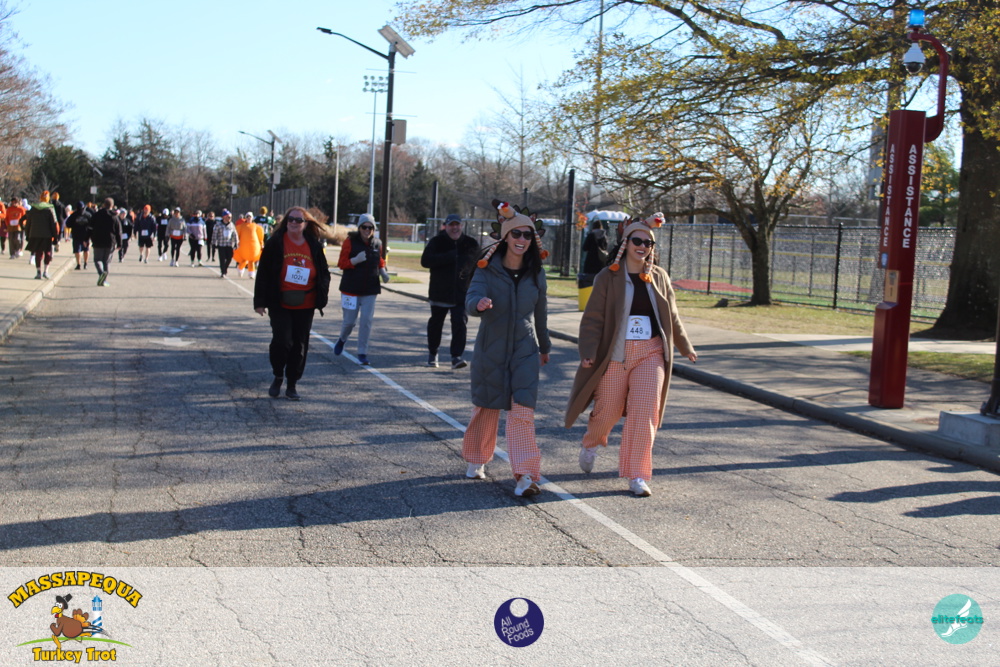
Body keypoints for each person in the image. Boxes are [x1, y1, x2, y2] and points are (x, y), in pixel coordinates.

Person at [565, 213, 698, 497]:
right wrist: (588, 351)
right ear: (626, 243)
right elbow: (593, 319)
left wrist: (685, 346)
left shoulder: (659, 276)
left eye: (648, 243)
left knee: (645, 411)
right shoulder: (609, 276)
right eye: (637, 241)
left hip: (651, 352)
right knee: (607, 412)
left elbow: (672, 316)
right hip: (616, 354)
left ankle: (637, 474)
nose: (642, 247)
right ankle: (591, 442)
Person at [461, 200, 551, 498]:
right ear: (506, 237)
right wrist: (478, 304)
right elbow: (471, 297)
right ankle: (476, 457)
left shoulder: (536, 273)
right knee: (486, 407)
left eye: (527, 235)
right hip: (491, 348)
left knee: (522, 411)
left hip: (525, 349)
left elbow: (541, 313)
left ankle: (525, 475)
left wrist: (544, 346)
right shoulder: (487, 269)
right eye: (516, 234)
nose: (522, 240)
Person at [253, 207, 332, 400]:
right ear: (285, 222)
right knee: (282, 341)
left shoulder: (314, 245)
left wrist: (322, 292)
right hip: (279, 301)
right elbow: (263, 273)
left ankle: (292, 383)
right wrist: (260, 302)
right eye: (291, 219)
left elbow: (324, 272)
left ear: (306, 224)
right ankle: (278, 375)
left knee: (300, 345)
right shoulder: (275, 243)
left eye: (298, 220)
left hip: (306, 302)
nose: (294, 223)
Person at [420, 213, 480, 369]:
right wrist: (449, 256)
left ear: (461, 226)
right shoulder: (437, 242)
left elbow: (479, 266)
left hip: (461, 293)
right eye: (451, 225)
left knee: (460, 323)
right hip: (440, 292)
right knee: (436, 324)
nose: (454, 228)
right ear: (445, 226)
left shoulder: (470, 244)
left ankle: (456, 356)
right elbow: (425, 261)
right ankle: (433, 353)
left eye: (457, 225)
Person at [332, 213, 389, 366]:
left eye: (370, 227)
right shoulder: (349, 242)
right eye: (364, 227)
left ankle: (362, 352)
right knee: (349, 322)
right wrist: (354, 260)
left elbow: (379, 260)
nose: (367, 230)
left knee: (366, 321)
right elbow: (341, 263)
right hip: (350, 288)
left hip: (370, 288)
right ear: (359, 228)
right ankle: (342, 339)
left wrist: (383, 272)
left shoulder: (377, 243)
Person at [23, 191, 59, 279]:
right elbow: (54, 224)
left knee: (38, 253)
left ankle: (38, 272)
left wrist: (27, 234)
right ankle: (45, 272)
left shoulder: (33, 208)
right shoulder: (50, 208)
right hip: (47, 235)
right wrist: (55, 236)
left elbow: (28, 223)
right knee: (47, 253)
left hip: (35, 234)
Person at [88, 198, 122, 286]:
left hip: (97, 240)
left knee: (97, 260)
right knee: (107, 261)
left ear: (104, 204)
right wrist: (119, 243)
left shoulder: (96, 215)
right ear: (112, 206)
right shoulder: (114, 217)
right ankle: (104, 280)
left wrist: (87, 239)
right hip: (110, 241)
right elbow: (118, 231)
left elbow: (90, 228)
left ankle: (101, 273)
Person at [233, 212, 264, 277]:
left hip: (253, 247)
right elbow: (237, 234)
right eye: (247, 217)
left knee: (251, 260)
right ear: (246, 218)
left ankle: (251, 273)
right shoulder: (241, 226)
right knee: (244, 260)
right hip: (243, 247)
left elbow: (260, 236)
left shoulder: (256, 226)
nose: (249, 218)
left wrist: (261, 243)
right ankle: (240, 268)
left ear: (252, 218)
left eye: (250, 217)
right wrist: (236, 243)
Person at [212, 209, 239, 278]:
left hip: (229, 245)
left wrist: (236, 243)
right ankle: (223, 272)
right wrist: (214, 243)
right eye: (228, 217)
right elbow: (214, 234)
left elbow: (235, 234)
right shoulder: (218, 225)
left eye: (230, 217)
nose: (230, 218)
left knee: (229, 258)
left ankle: (225, 267)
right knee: (222, 259)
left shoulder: (231, 225)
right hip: (221, 245)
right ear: (224, 217)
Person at [66, 202, 92, 269]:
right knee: (86, 249)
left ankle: (78, 264)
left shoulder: (74, 215)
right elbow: (92, 225)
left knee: (77, 250)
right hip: (86, 235)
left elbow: (68, 224)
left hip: (76, 235)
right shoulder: (88, 215)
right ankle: (85, 263)